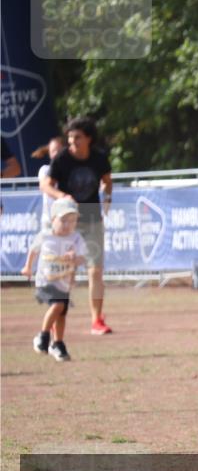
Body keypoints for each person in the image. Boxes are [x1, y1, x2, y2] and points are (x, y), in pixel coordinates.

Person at [40, 118, 113, 335]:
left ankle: (96, 320)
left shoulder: (99, 158)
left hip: (92, 219)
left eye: (77, 137)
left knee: (96, 271)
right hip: (67, 223)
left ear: (89, 138)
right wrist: (61, 195)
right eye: (70, 137)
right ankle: (55, 318)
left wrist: (107, 196)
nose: (72, 141)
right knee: (64, 274)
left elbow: (107, 180)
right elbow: (45, 184)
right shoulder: (62, 159)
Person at [21, 197, 88, 362]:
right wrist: (28, 267)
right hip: (45, 281)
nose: (68, 225)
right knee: (57, 305)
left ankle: (57, 344)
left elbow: (83, 258)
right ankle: (43, 336)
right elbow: (33, 250)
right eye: (63, 220)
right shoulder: (45, 235)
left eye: (72, 221)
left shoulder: (76, 238)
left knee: (61, 313)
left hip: (63, 283)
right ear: (53, 219)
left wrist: (75, 257)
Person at [33, 136, 66, 224]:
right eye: (52, 151)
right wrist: (63, 197)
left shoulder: (71, 170)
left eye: (58, 151)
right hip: (50, 220)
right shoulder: (45, 170)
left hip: (68, 219)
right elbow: (44, 187)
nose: (55, 154)